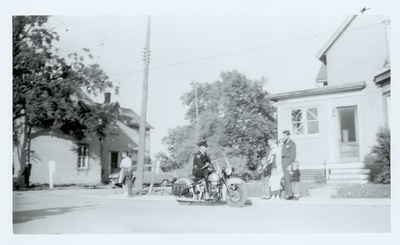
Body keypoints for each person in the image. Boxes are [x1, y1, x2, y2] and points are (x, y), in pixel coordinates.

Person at [281, 130, 297, 200]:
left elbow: (293, 155)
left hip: (288, 162)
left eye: (284, 135)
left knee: (288, 179)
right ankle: (288, 194)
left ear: (288, 136)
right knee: (285, 179)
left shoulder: (292, 143)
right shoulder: (284, 143)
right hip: (283, 161)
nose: (283, 137)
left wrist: (290, 164)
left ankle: (290, 195)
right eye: (283, 135)